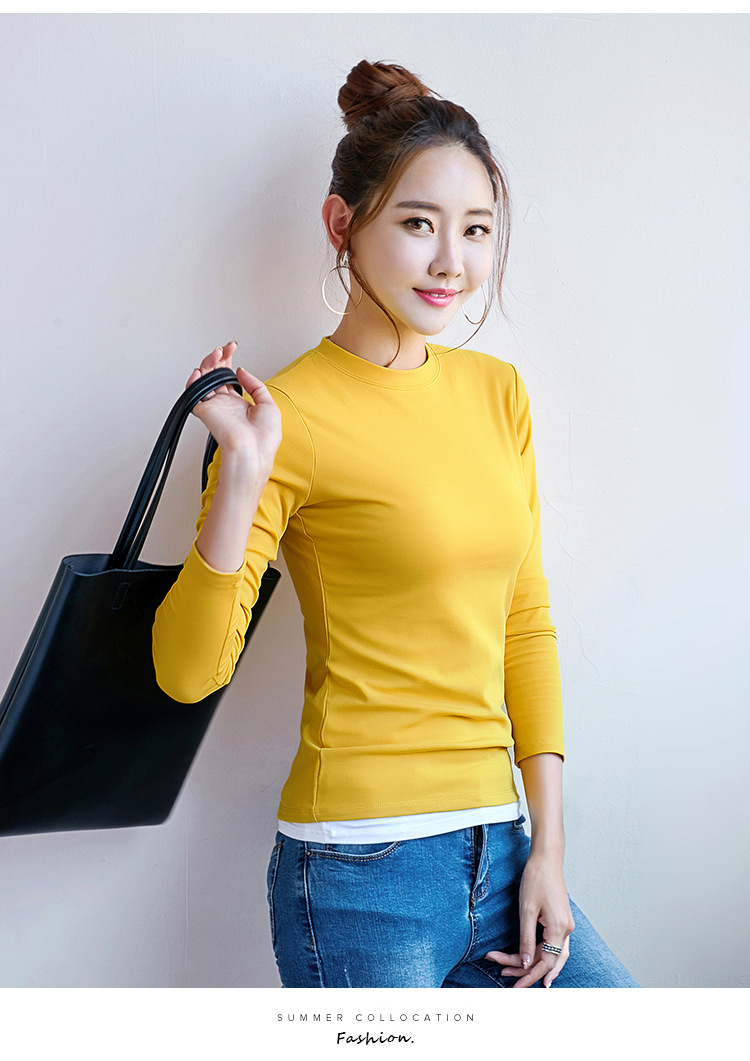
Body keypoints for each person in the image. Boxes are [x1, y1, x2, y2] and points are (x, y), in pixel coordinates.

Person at [152, 60, 638, 989]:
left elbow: (524, 622)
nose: (453, 261)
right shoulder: (284, 417)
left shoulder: (498, 393)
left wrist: (548, 850)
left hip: (504, 851)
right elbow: (185, 671)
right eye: (419, 223)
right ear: (342, 224)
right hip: (359, 870)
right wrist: (242, 472)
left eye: (477, 229)